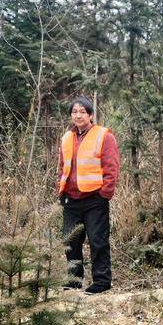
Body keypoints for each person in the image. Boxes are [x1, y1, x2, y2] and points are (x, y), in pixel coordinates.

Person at [57, 96, 120, 294]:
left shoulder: (104, 135)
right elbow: (62, 167)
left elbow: (111, 167)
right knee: (71, 241)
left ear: (90, 115)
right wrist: (61, 188)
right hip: (70, 199)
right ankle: (74, 280)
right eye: (74, 112)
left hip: (94, 199)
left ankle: (102, 281)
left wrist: (104, 194)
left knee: (97, 240)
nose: (78, 115)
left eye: (82, 112)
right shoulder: (67, 137)